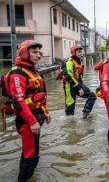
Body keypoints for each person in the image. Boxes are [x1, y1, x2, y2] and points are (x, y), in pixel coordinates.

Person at [6, 40, 51, 181]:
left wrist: (45, 111)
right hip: (27, 120)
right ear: (25, 54)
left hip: (36, 117)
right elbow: (18, 101)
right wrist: (32, 122)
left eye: (39, 52)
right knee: (32, 157)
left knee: (27, 152)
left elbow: (39, 95)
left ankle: (21, 173)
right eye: (34, 52)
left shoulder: (33, 72)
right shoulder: (18, 73)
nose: (39, 55)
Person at [58, 44, 96, 118]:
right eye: (79, 52)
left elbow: (78, 77)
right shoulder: (69, 62)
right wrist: (79, 88)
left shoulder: (79, 61)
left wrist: (80, 86)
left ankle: (85, 114)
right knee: (70, 110)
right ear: (73, 52)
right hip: (69, 86)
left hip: (78, 84)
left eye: (81, 52)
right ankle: (70, 124)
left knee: (92, 96)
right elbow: (69, 76)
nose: (81, 54)